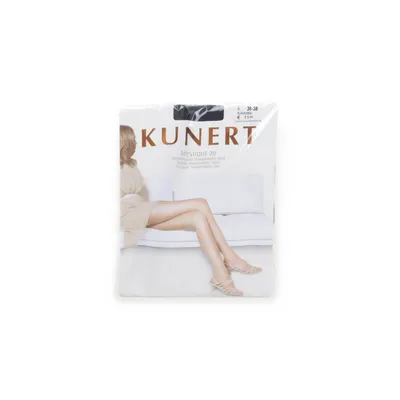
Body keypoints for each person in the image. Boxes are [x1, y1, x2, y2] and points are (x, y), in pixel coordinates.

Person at [120, 125, 261, 296]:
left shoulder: (131, 164)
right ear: (125, 141)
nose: (136, 142)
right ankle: (231, 258)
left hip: (142, 210)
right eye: (133, 139)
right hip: (127, 214)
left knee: (198, 217)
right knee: (201, 203)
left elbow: (139, 194)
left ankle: (219, 275)